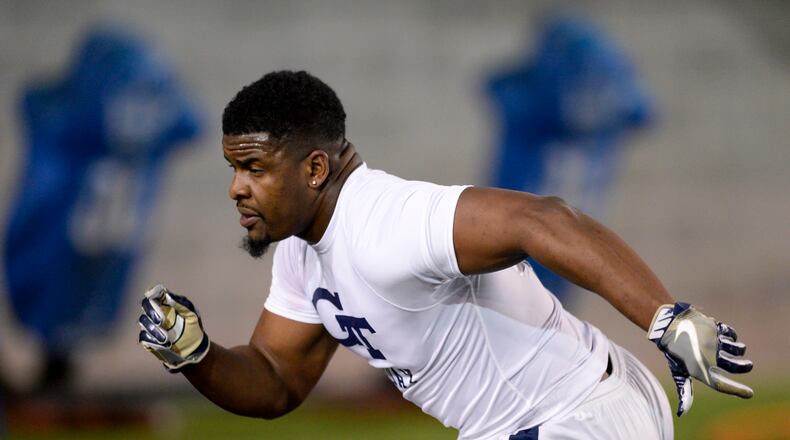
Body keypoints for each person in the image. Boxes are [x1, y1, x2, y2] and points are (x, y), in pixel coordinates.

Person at [138, 71, 753, 440]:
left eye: (253, 168)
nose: (236, 188)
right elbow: (275, 380)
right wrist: (198, 357)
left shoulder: (384, 221)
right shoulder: (302, 255)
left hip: (577, 416)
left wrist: (664, 317)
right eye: (232, 168)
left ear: (316, 168)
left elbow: (544, 218)